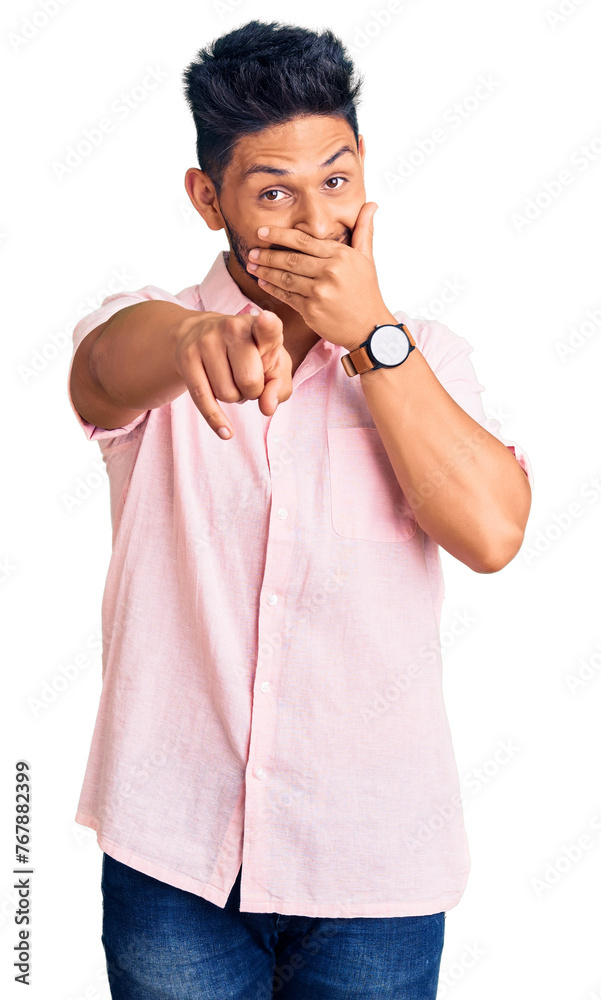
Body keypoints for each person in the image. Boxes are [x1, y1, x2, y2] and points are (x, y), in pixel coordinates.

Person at [67, 19, 533, 1000]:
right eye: (273, 190)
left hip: (376, 868)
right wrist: (197, 337)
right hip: (173, 861)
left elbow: (492, 533)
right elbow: (107, 368)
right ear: (208, 199)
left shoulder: (431, 359)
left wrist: (371, 337)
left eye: (336, 177)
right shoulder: (153, 330)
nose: (317, 219)